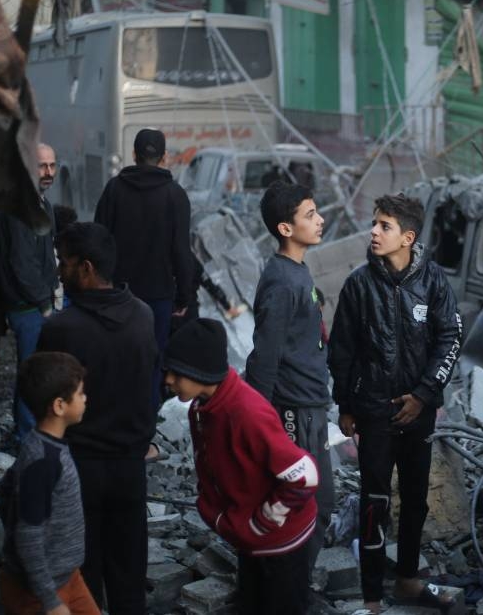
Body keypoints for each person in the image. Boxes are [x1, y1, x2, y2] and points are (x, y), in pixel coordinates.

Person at [329, 194, 462, 614]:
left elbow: (450, 338)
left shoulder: (433, 280)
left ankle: (407, 579)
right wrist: (345, 405)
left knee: (416, 499)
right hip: (373, 412)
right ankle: (371, 596)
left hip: (418, 414)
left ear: (407, 237)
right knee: (375, 503)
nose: (373, 231)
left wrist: (423, 395)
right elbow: (341, 350)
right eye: (374, 223)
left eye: (383, 225)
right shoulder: (358, 285)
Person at [35, 223, 157, 615]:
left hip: (78, 469)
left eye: (64, 263)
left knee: (82, 582)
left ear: (86, 267)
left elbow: (42, 400)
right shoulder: (143, 316)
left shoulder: (61, 329)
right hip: (129, 468)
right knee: (129, 576)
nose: (59, 271)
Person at [164, 318, 319, 615]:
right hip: (250, 540)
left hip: (280, 543)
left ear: (200, 371)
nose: (168, 380)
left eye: (176, 372)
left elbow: (305, 476)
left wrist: (260, 523)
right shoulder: (201, 409)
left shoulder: (247, 413)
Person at [244, 181, 333, 570]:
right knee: (306, 504)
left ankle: (294, 585)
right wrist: (259, 421)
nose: (320, 219)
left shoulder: (297, 271)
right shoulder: (281, 281)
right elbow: (266, 355)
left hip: (311, 403)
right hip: (294, 408)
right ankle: (289, 589)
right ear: (285, 228)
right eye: (310, 215)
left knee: (320, 502)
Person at [93, 128, 193, 415]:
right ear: (164, 157)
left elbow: (98, 240)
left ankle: (114, 417)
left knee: (116, 356)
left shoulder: (114, 189)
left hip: (117, 294)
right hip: (158, 296)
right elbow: (181, 251)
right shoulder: (175, 195)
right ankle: (144, 423)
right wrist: (184, 296)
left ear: (134, 155)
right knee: (152, 359)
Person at [0, 351, 99, 615]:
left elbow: (4, 490)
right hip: (38, 593)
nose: (85, 398)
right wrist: (49, 600)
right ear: (59, 406)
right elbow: (28, 534)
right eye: (80, 393)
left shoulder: (42, 446)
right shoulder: (43, 461)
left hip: (67, 576)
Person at [0, 143, 59, 441]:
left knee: (36, 370)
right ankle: (26, 438)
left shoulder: (41, 203)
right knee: (33, 372)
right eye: (41, 166)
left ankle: (29, 435)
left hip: (34, 302)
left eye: (52, 165)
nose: (48, 172)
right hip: (27, 305)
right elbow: (22, 263)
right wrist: (45, 303)